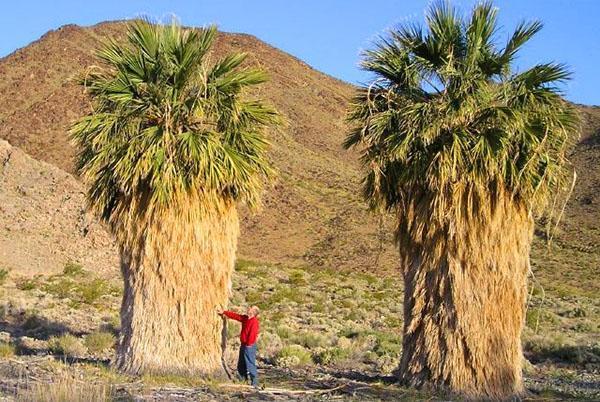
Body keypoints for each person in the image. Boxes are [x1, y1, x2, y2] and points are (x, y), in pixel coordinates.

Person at [219, 306, 260, 388]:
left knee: (250, 364)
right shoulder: (245, 318)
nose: (249, 308)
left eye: (251, 308)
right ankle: (243, 381)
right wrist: (224, 312)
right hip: (244, 344)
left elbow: (252, 335)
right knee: (241, 364)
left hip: (249, 346)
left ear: (254, 312)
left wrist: (248, 345)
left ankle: (255, 384)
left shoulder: (254, 322)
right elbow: (236, 316)